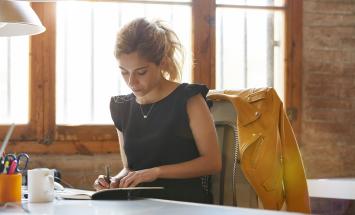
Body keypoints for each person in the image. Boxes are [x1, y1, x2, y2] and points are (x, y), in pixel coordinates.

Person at [93, 18, 221, 203]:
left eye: (141, 72)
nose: (131, 81)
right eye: (124, 72)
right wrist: (114, 181)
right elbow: (130, 168)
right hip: (137, 205)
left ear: (162, 62)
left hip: (184, 205)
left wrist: (157, 172)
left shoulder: (189, 99)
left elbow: (212, 162)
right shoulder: (120, 107)